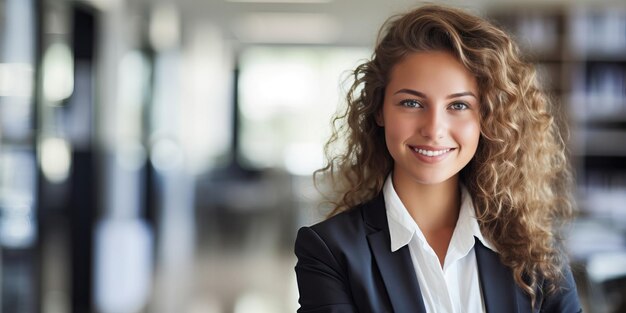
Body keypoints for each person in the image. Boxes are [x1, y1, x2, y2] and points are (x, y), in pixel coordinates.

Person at [294, 4, 582, 313]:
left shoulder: (535, 250)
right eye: (412, 102)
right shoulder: (330, 251)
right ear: (379, 109)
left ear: (486, 117)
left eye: (458, 106)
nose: (433, 130)